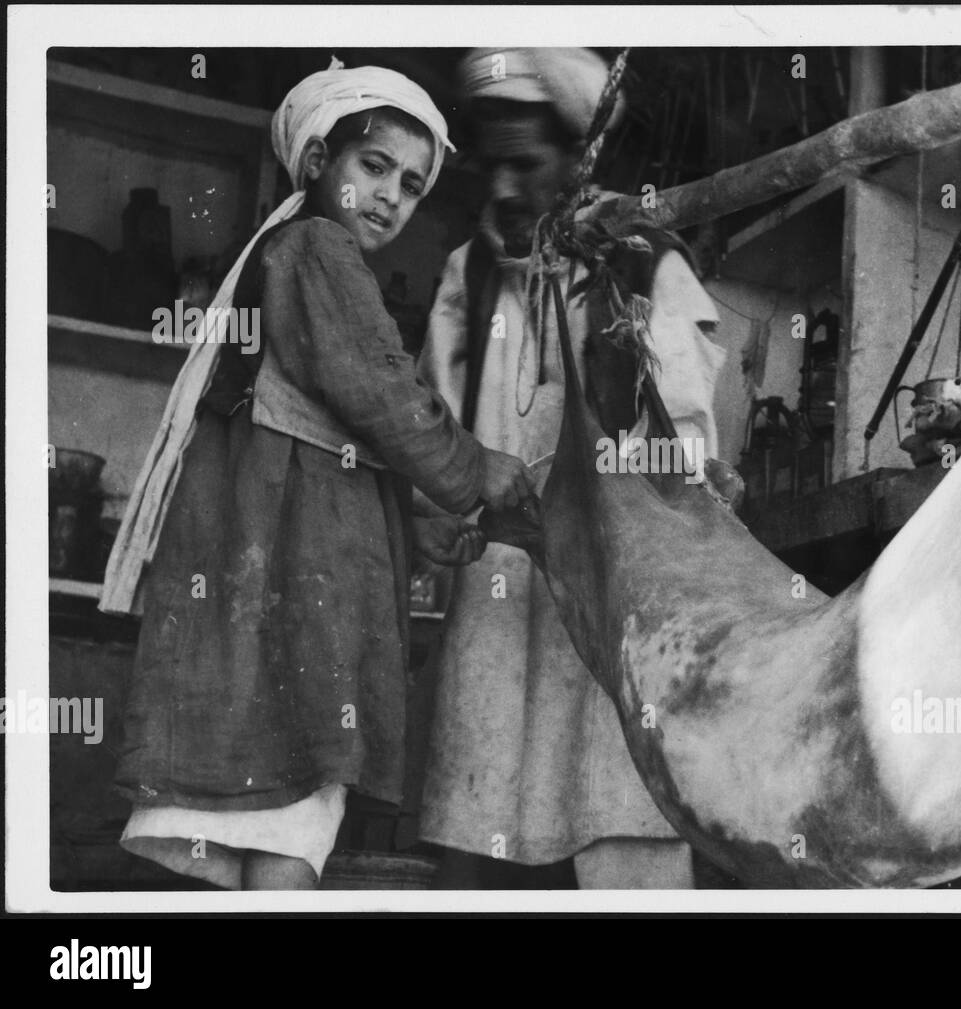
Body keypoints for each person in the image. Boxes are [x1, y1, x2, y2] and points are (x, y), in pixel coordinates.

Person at [112, 60, 534, 891]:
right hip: (293, 595)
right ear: (316, 164)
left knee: (270, 820)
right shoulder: (317, 247)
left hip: (266, 587)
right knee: (292, 818)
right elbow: (382, 391)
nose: (391, 196)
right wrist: (479, 471)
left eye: (412, 185)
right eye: (373, 167)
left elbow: (334, 438)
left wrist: (424, 515)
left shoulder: (299, 254)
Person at [416, 48, 727, 889]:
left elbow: (690, 442)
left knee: (612, 810)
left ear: (577, 158)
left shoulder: (647, 265)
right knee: (487, 815)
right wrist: (438, 509)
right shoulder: (468, 275)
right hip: (496, 589)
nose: (510, 186)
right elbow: (429, 421)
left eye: (531, 163)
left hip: (606, 593)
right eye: (497, 165)